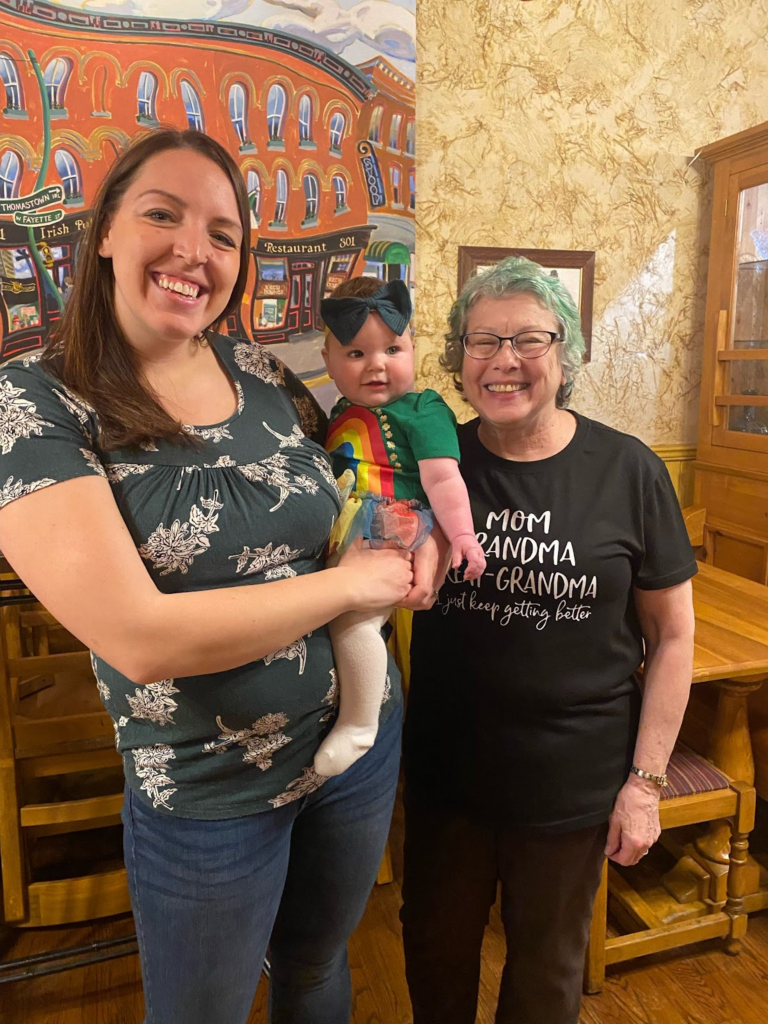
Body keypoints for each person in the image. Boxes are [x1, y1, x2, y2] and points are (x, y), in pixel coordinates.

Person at [0, 128, 445, 1024]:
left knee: (316, 967)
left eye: (223, 234)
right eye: (162, 214)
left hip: (355, 748)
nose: (193, 252)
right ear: (107, 235)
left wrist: (420, 535)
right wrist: (355, 589)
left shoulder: (265, 370)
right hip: (207, 789)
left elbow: (358, 487)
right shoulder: (35, 398)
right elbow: (141, 639)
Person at [400, 256, 698, 1024]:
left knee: (547, 973)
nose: (504, 361)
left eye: (529, 340)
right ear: (458, 360)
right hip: (446, 776)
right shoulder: (434, 466)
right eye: (482, 341)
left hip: (573, 784)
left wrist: (647, 784)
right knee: (434, 954)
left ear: (567, 355)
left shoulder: (630, 470)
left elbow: (672, 639)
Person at [313, 276, 485, 777]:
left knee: (354, 621)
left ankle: (360, 725)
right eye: (356, 353)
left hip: (396, 521)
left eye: (392, 348)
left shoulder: (422, 409)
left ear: (412, 349)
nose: (377, 364)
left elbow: (445, 480)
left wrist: (463, 536)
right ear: (328, 361)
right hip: (349, 525)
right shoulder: (342, 411)